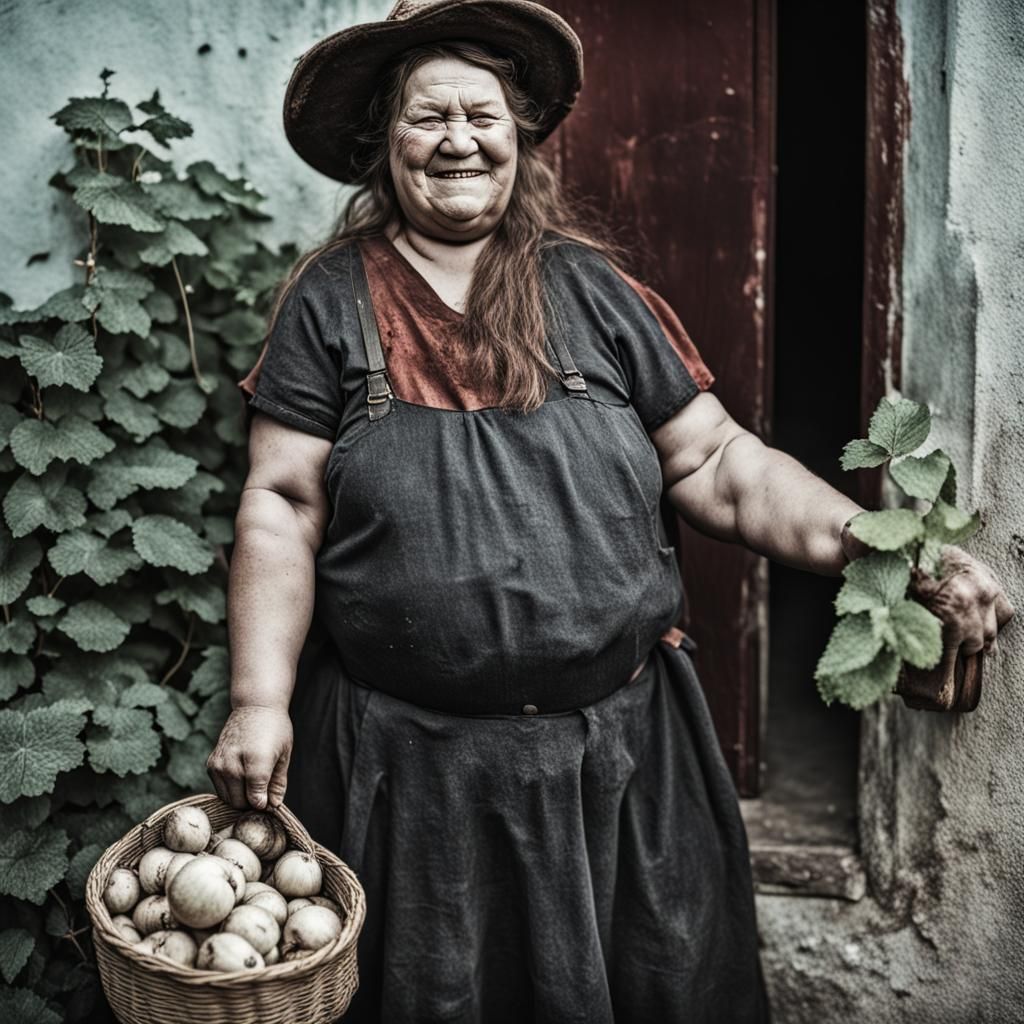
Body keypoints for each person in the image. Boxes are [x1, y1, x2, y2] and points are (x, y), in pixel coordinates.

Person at [206, 1, 1015, 1020]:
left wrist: (887, 552)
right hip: (412, 774)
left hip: (616, 770)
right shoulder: (329, 303)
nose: (458, 138)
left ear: (519, 140)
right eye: (427, 117)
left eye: (482, 115)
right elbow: (281, 504)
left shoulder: (594, 293)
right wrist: (259, 699)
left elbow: (723, 465)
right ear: (382, 142)